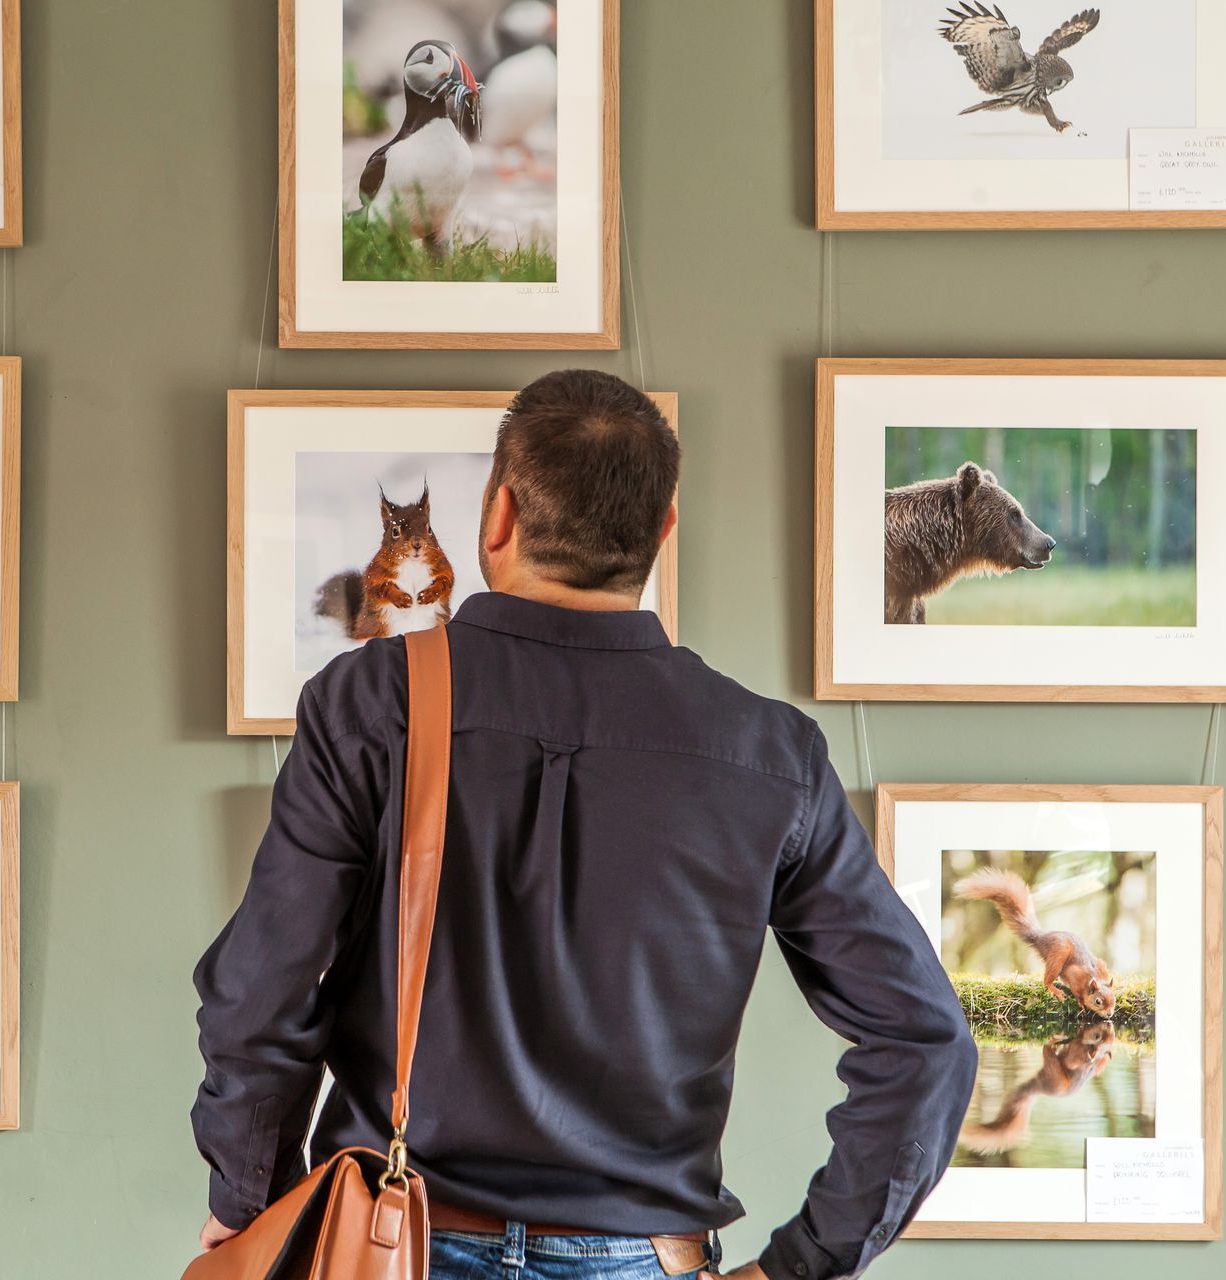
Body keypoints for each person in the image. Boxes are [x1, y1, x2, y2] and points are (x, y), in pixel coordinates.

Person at [191, 370, 977, 1279]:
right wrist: (801, 1265)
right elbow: (925, 1041)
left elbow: (260, 996)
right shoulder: (770, 751)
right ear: (662, 534)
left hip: (392, 1248)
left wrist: (250, 1206)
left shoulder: (372, 700)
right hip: (648, 1257)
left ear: (498, 518)